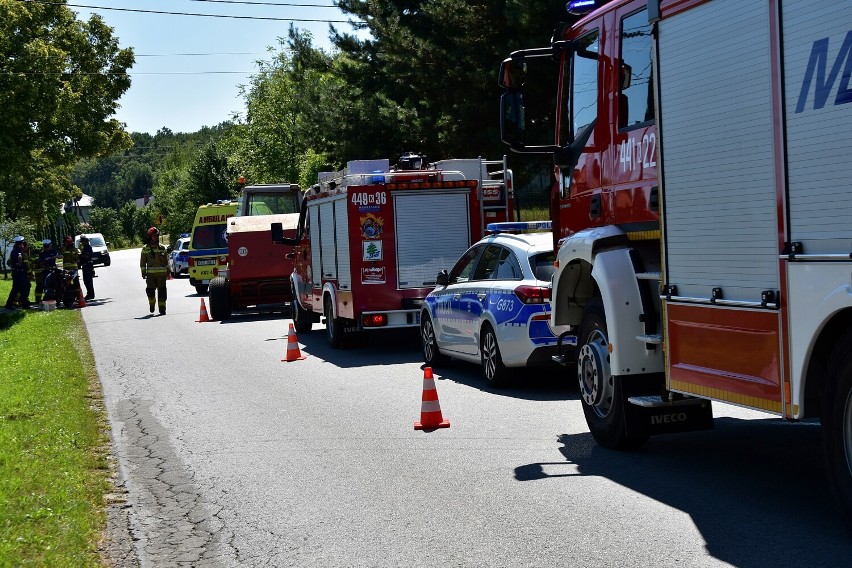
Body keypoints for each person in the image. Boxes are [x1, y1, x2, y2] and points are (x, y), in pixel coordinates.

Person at [140, 226, 168, 314]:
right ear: (150, 237)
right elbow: (143, 262)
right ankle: (152, 303)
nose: (156, 237)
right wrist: (143, 272)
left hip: (162, 275)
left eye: (157, 235)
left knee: (162, 292)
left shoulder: (162, 248)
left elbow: (166, 261)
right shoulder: (145, 249)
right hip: (150, 276)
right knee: (150, 291)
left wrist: (169, 271)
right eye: (154, 236)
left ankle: (162, 308)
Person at [5, 236, 31, 310]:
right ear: (20, 244)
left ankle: (9, 304)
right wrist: (19, 263)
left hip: (17, 273)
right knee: (23, 288)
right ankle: (24, 305)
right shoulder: (17, 251)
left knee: (16, 289)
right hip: (19, 273)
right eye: (22, 244)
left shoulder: (15, 250)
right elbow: (19, 259)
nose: (23, 245)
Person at [60, 235, 82, 301]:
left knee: (76, 282)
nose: (64, 244)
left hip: (73, 268)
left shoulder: (74, 249)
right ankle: (65, 295)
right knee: (65, 282)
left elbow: (77, 258)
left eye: (65, 242)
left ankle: (79, 296)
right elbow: (61, 254)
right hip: (66, 269)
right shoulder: (64, 249)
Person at [78, 235, 95, 300]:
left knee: (88, 281)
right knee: (86, 281)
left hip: (88, 265)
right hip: (85, 266)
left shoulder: (87, 247)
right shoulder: (85, 247)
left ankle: (90, 294)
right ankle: (89, 293)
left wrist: (80, 255)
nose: (81, 243)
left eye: (82, 241)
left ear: (85, 241)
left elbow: (86, 256)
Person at [28, 240, 44, 304]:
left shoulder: (33, 256)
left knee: (39, 286)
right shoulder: (40, 255)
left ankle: (38, 299)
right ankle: (40, 300)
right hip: (41, 273)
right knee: (41, 286)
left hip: (37, 274)